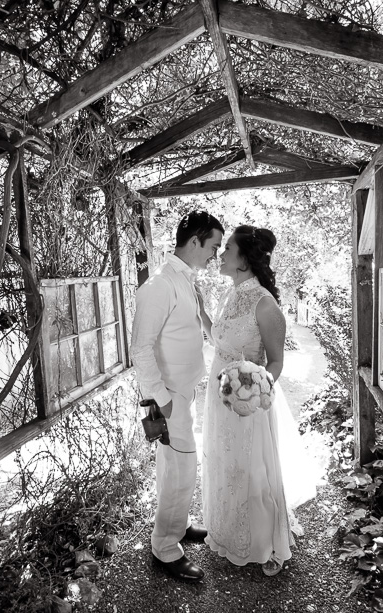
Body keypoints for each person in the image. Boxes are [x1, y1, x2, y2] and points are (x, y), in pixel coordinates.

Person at [202, 225, 326, 576]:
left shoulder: (264, 303)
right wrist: (200, 311)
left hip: (248, 404)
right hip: (219, 398)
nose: (221, 254)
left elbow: (275, 362)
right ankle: (228, 531)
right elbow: (220, 340)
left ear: (244, 257)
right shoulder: (230, 295)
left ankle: (263, 541)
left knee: (252, 470)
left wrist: (253, 393)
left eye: (227, 248)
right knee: (225, 463)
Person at [130, 210, 224, 582]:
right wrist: (163, 400)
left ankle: (179, 524)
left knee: (177, 466)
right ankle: (165, 547)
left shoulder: (186, 280)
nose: (215, 255)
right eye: (213, 246)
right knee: (181, 468)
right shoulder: (159, 286)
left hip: (184, 393)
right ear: (196, 241)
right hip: (169, 398)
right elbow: (141, 349)